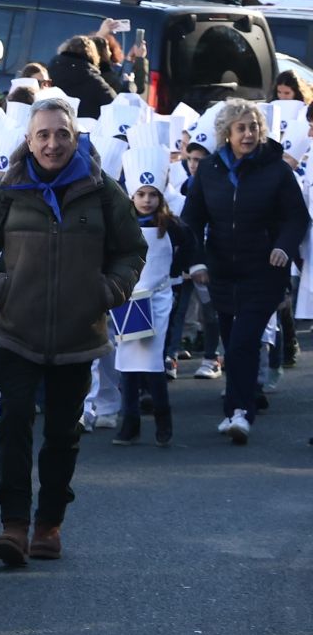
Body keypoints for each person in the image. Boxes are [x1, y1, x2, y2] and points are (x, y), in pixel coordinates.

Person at [0, 98, 146, 566]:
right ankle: (14, 525)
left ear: (75, 136)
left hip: (78, 335)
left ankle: (49, 524)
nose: (52, 143)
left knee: (63, 433)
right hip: (15, 330)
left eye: (61, 134)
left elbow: (132, 249)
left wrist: (109, 290)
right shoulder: (5, 191)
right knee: (15, 424)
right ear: (28, 140)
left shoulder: (102, 191)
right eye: (42, 134)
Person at [181, 100, 308, 446]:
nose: (249, 133)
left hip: (264, 270)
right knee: (231, 339)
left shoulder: (276, 170)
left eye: (253, 126)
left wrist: (283, 245)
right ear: (227, 133)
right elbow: (192, 219)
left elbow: (296, 216)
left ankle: (240, 412)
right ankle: (235, 406)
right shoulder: (209, 169)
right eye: (242, 128)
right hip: (220, 271)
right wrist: (196, 261)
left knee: (243, 341)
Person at [111, 147, 199, 447]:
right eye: (141, 194)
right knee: (126, 362)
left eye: (152, 194)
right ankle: (130, 423)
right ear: (131, 196)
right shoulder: (122, 225)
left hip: (158, 299)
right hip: (128, 299)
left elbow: (191, 246)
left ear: (161, 196)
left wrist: (183, 269)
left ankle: (163, 421)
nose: (147, 200)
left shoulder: (171, 225)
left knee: (151, 361)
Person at [44, 36, 116, 119]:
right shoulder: (95, 82)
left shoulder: (47, 75)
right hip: (86, 129)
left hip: (50, 126)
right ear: (93, 55)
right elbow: (114, 107)